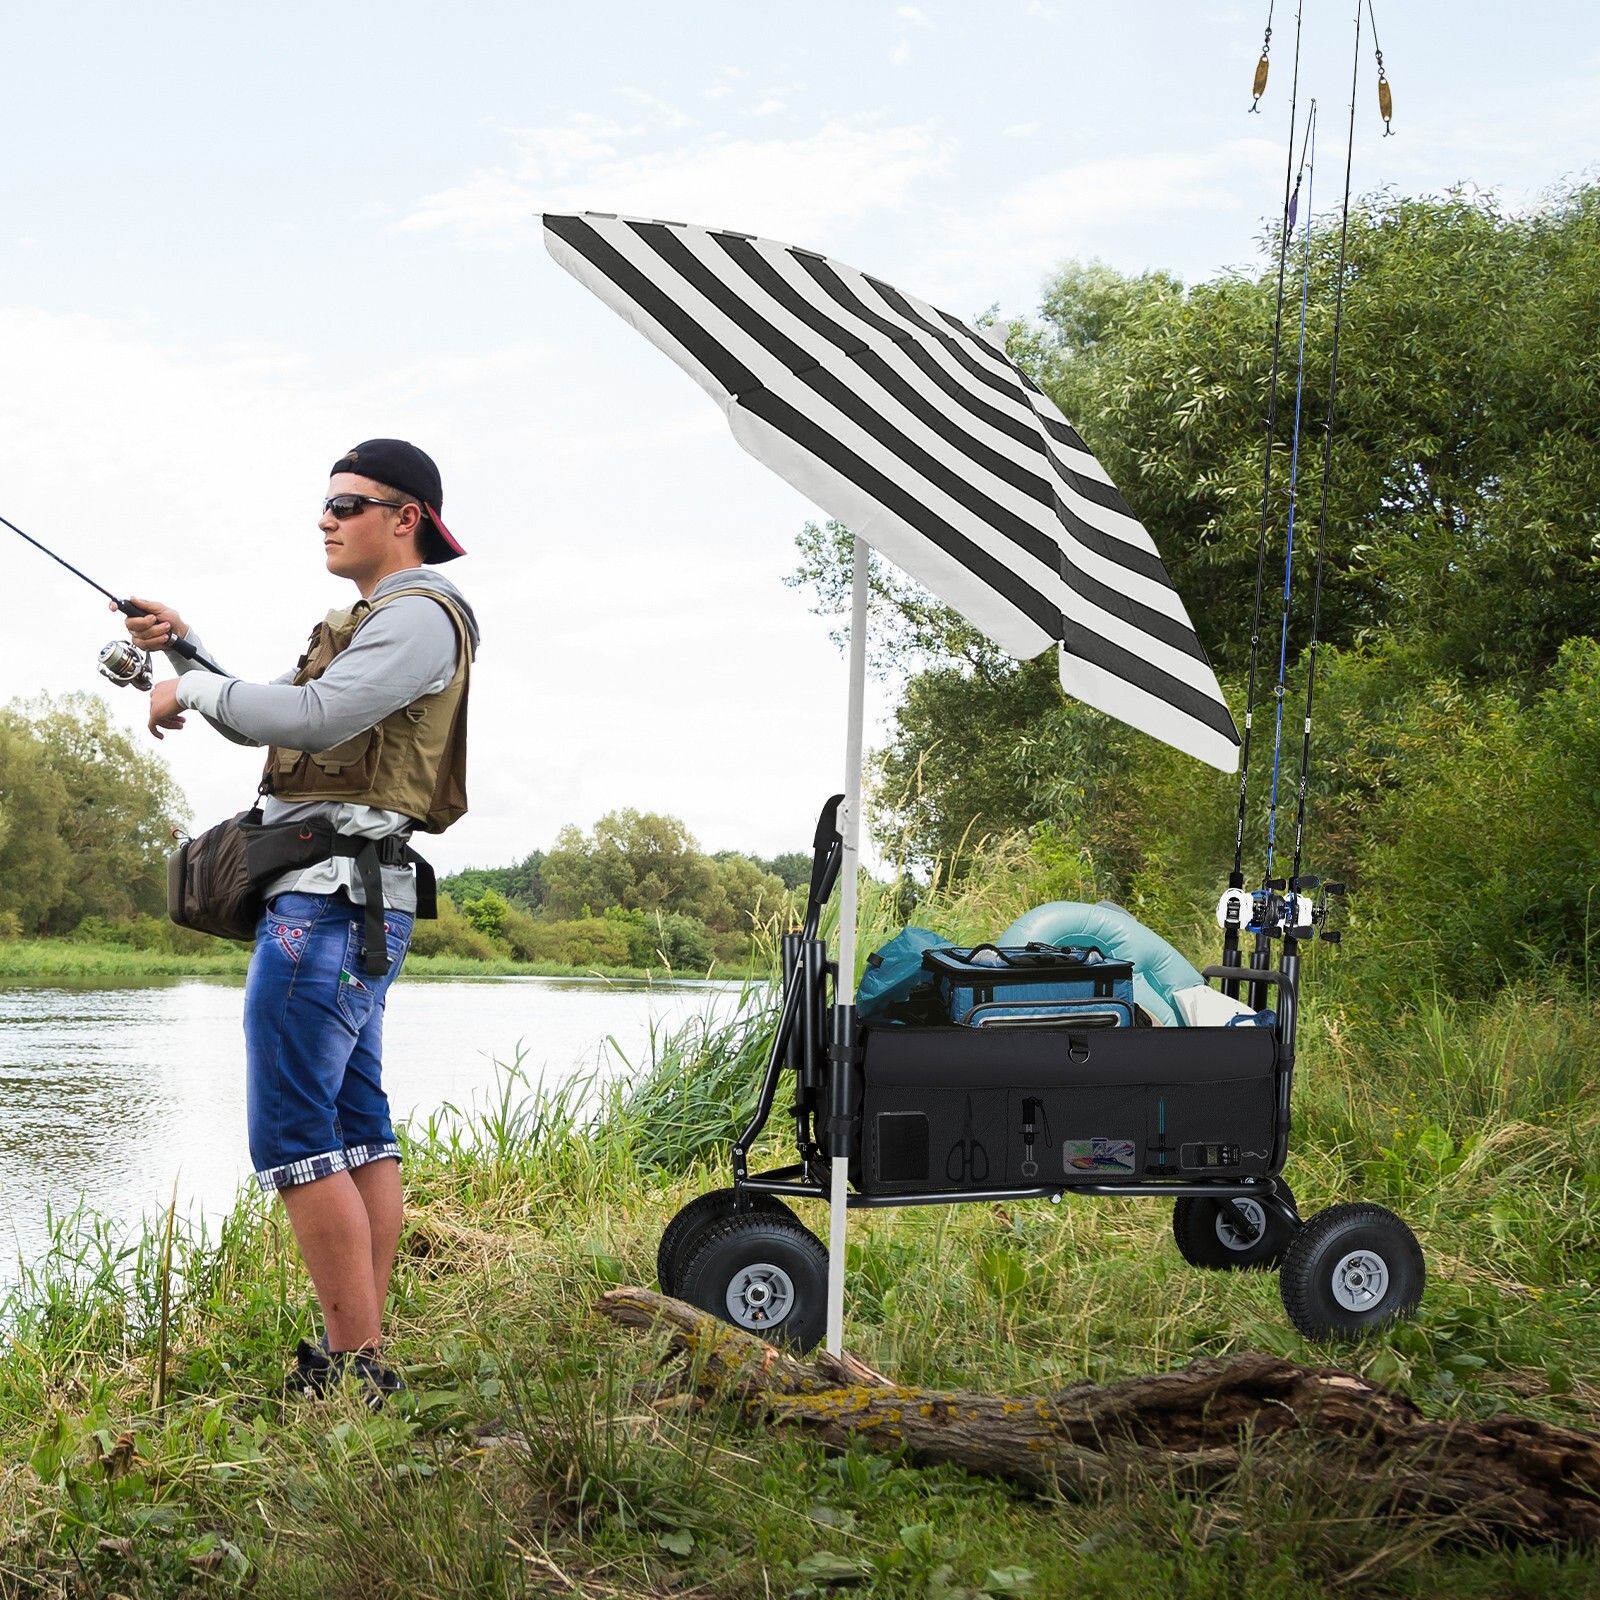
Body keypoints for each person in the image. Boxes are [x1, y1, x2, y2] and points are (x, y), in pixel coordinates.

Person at [124, 439, 480, 1403]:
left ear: (404, 518)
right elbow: (290, 709)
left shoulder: (418, 618)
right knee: (356, 1128)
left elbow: (314, 718)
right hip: (350, 907)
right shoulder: (380, 622)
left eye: (345, 503)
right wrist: (188, 649)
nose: (324, 519)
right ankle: (362, 1352)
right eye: (323, 505)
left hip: (325, 910)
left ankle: (356, 1369)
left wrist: (187, 689)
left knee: (291, 1136)